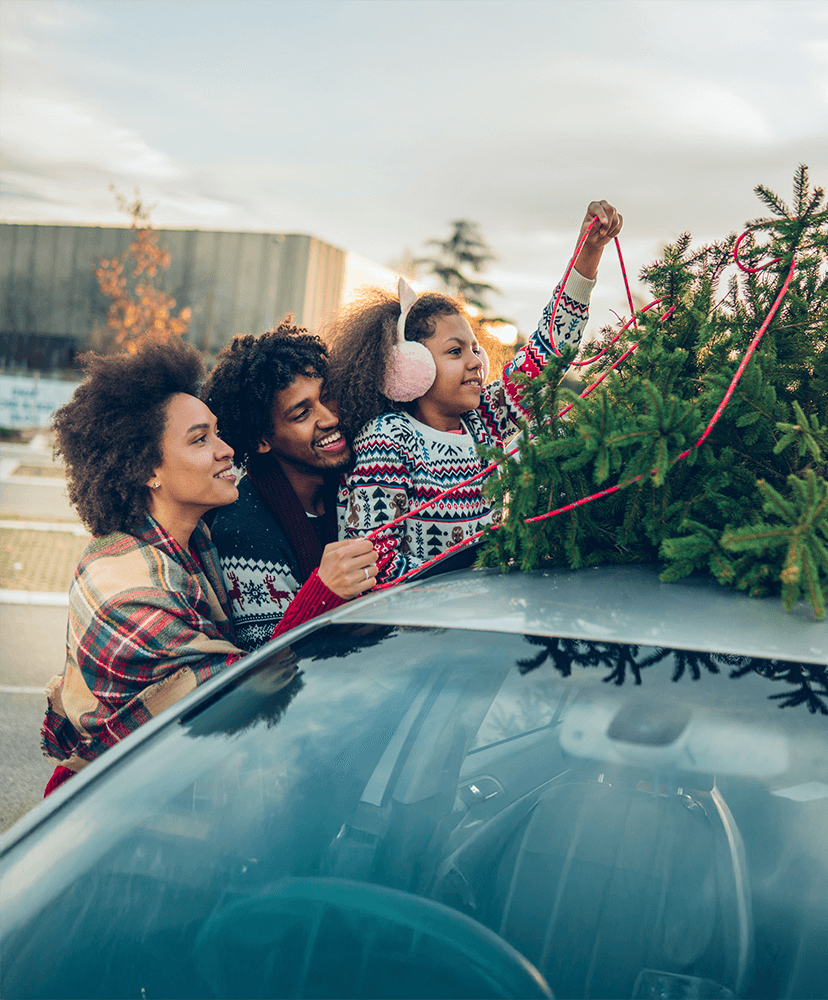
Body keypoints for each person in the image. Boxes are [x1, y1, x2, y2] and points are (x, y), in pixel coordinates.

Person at [40, 340, 378, 795]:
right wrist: (321, 592)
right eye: (200, 440)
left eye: (217, 433)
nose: (226, 450)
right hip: (112, 818)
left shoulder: (194, 545)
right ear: (147, 469)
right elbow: (230, 701)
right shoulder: (122, 583)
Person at [330, 200, 623, 581]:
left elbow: (549, 351)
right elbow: (376, 567)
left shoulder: (484, 420)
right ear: (410, 367)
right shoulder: (388, 441)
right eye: (455, 351)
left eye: (475, 349)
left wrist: (589, 253)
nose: (475, 362)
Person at [201, 318, 383, 651]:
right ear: (261, 441)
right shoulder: (242, 532)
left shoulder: (362, 483)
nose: (329, 418)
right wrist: (323, 593)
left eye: (327, 398)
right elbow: (267, 667)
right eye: (302, 414)